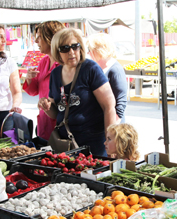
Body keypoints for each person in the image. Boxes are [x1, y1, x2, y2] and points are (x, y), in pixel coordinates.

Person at [38, 28, 116, 156]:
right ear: (57, 51)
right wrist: (46, 106)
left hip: (93, 143)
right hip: (66, 144)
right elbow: (56, 113)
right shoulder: (55, 74)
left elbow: (109, 106)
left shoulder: (90, 69)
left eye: (75, 47)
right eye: (65, 48)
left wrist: (110, 141)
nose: (71, 52)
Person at [23, 21, 64, 145]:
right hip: (44, 123)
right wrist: (29, 78)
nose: (36, 41)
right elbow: (33, 91)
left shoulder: (65, 64)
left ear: (51, 38)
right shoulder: (43, 61)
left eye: (39, 37)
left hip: (60, 125)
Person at [87, 33, 127, 122]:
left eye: (90, 49)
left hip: (112, 124)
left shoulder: (115, 69)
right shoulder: (96, 67)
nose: (88, 53)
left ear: (98, 50)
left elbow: (121, 103)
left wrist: (112, 127)